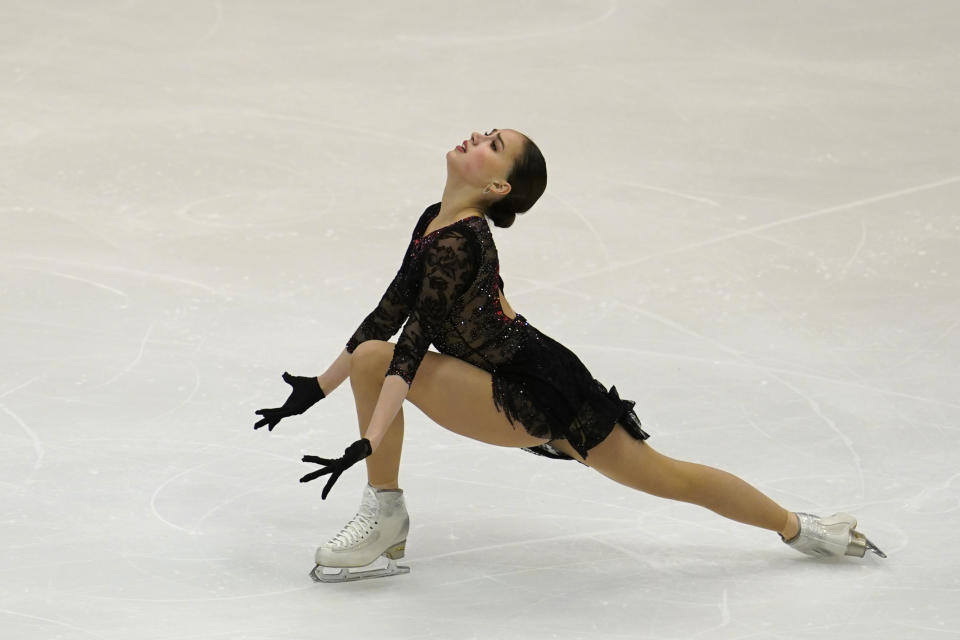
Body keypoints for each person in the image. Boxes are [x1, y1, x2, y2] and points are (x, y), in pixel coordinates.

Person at [254, 129, 885, 582]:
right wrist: (316, 385)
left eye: (492, 144)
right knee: (369, 356)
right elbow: (390, 311)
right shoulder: (433, 221)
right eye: (485, 132)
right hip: (497, 370)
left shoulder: (462, 241)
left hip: (530, 389)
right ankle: (384, 511)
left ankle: (802, 528)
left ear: (498, 185)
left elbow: (412, 346)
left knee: (666, 476)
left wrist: (369, 436)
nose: (476, 136)